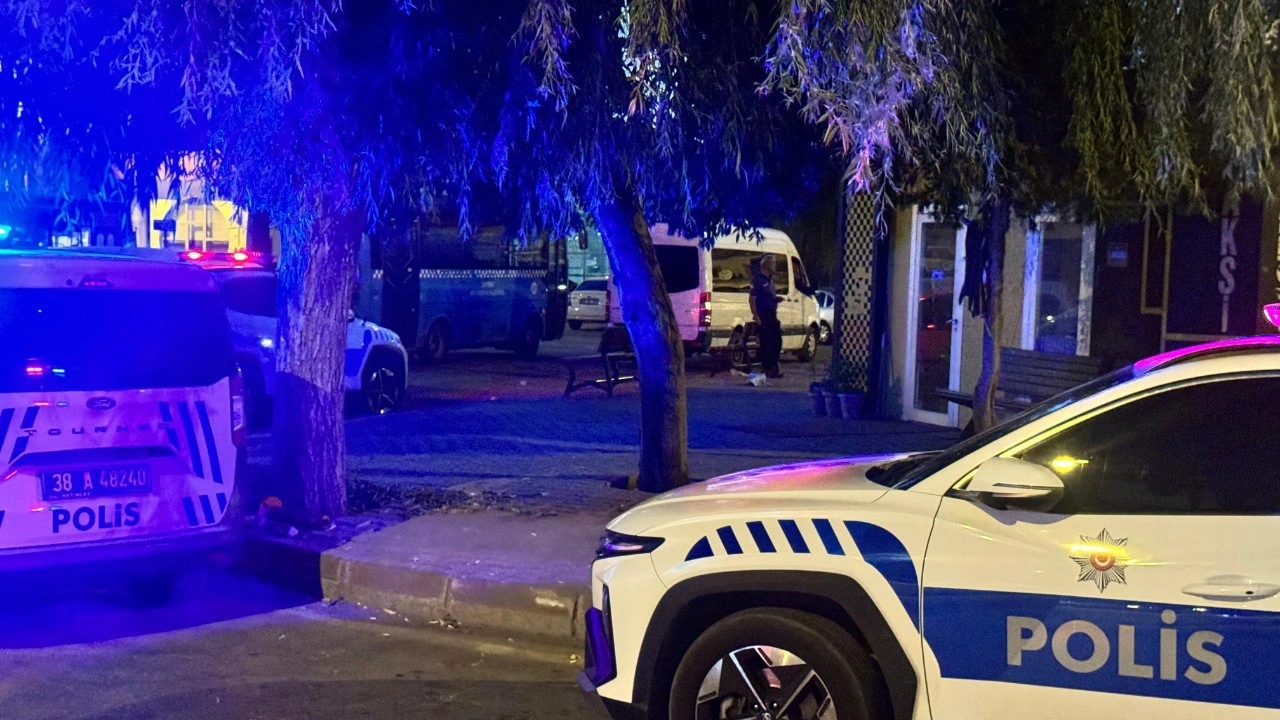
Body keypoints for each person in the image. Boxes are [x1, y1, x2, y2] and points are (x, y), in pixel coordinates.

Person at [750, 255, 783, 378]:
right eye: (773, 263)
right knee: (767, 343)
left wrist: (776, 299)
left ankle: (774, 366)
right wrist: (756, 316)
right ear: (767, 264)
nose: (775, 266)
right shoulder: (758, 280)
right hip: (763, 315)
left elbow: (769, 296)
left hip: (772, 315)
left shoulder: (770, 280)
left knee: (777, 341)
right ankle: (768, 368)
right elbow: (752, 299)